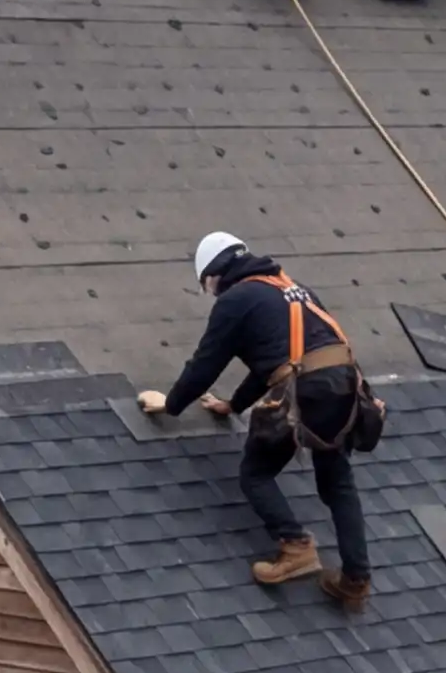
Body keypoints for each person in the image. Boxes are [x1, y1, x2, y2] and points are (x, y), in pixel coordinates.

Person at [142, 232, 372, 609]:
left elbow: (205, 365)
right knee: (338, 484)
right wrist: (234, 405)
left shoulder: (235, 300)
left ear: (214, 274)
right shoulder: (294, 289)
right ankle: (356, 580)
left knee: (256, 473)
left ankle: (295, 547)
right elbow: (276, 360)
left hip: (308, 390)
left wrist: (170, 404)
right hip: (346, 386)